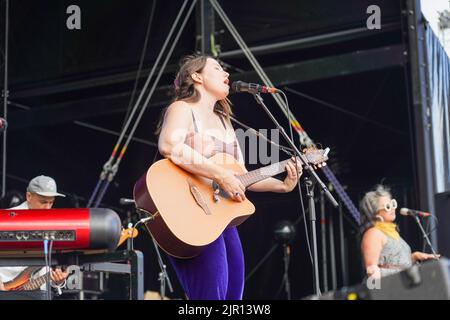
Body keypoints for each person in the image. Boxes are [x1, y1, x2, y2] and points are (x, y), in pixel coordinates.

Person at [157, 54, 303, 300]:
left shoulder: (225, 121)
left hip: (219, 214)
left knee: (234, 292)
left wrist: (283, 186)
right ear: (196, 76)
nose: (227, 74)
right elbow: (169, 145)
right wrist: (220, 174)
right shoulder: (182, 109)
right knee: (210, 293)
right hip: (190, 210)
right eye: (217, 68)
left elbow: (241, 176)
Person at [0, 175, 69, 292]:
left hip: (35, 293)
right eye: (43, 202)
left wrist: (58, 281)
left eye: (51, 203)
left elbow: (47, 269)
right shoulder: (6, 219)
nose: (47, 208)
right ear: (29, 196)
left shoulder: (54, 225)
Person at [360, 185, 439, 280]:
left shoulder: (392, 232)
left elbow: (395, 263)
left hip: (401, 286)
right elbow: (372, 270)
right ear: (376, 212)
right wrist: (377, 293)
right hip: (387, 289)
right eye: (388, 206)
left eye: (393, 204)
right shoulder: (373, 233)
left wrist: (414, 257)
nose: (393, 208)